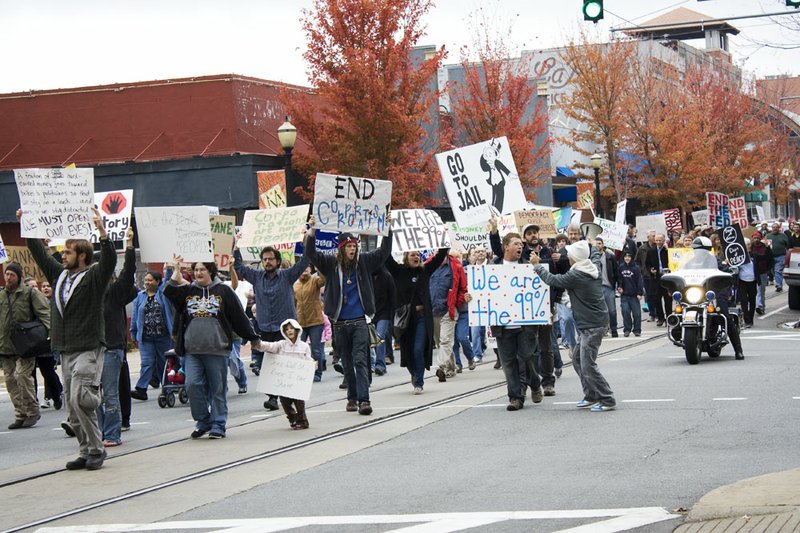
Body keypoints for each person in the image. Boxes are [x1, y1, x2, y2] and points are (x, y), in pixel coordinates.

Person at [24, 207, 117, 470]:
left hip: (88, 346)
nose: (62, 256)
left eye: (67, 252)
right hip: (65, 348)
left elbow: (109, 261)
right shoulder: (60, 275)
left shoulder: (94, 276)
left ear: (82, 255)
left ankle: (97, 448)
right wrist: (28, 226)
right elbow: (40, 255)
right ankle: (86, 449)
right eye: (63, 252)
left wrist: (102, 232)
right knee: (70, 403)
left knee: (80, 397)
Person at [163, 257, 263, 439]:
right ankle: (203, 421)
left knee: (218, 389)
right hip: (192, 350)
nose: (198, 273)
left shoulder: (223, 290)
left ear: (211, 271)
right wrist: (175, 273)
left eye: (202, 269)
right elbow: (168, 293)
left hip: (217, 349)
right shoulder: (188, 291)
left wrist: (253, 338)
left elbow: (238, 317)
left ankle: (218, 424)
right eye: (196, 270)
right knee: (192, 384)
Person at [304, 214, 393, 414]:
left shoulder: (364, 262)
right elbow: (311, 254)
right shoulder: (330, 264)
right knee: (347, 362)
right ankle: (351, 397)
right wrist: (312, 231)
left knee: (361, 360)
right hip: (340, 323)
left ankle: (364, 400)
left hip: (360, 321)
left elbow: (384, 251)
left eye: (355, 246)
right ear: (341, 248)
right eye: (349, 246)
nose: (353, 249)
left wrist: (387, 227)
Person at [532, 240, 616, 412]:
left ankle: (607, 398)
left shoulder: (577, 276)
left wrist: (537, 266)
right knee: (578, 359)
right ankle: (591, 395)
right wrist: (591, 244)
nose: (567, 256)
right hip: (592, 324)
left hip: (592, 325)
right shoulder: (591, 268)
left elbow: (553, 279)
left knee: (587, 364)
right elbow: (595, 257)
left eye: (569, 254)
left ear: (576, 258)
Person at [234, 240, 308, 411]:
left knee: (289, 364)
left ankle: (293, 397)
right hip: (266, 328)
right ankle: (273, 398)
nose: (267, 262)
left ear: (278, 261)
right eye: (264, 259)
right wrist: (237, 247)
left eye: (270, 259)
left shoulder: (288, 275)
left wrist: (307, 240)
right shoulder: (257, 277)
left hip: (287, 329)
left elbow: (305, 260)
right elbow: (239, 267)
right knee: (272, 365)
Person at [489, 230, 543, 411]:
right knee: (509, 362)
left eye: (521, 244)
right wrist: (471, 298)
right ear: (506, 247)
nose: (520, 246)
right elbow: (484, 292)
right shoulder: (492, 266)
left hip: (524, 323)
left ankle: (535, 383)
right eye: (516, 244)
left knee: (528, 357)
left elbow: (539, 290)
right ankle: (515, 397)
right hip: (502, 325)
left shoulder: (528, 266)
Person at [98, 228, 138, 447]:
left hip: (112, 348)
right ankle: (99, 431)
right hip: (90, 349)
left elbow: (128, 272)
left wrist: (129, 245)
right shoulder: (87, 294)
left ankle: (112, 433)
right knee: (92, 396)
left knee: (110, 394)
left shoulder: (113, 293)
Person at [386, 248, 447, 393]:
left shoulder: (425, 271)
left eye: (418, 255)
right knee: (407, 352)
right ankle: (414, 373)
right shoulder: (398, 271)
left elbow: (440, 256)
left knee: (418, 349)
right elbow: (386, 256)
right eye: (413, 255)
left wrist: (443, 238)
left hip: (421, 318)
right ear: (406, 257)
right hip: (405, 320)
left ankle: (419, 382)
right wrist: (387, 231)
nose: (416, 257)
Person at [1, 262, 51, 429]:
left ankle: (32, 411)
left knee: (22, 376)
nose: (8, 278)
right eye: (6, 274)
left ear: (19, 277)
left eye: (11, 275)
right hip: (5, 345)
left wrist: (49, 333)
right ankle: (20, 414)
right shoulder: (1, 295)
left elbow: (45, 313)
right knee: (10, 380)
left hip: (26, 344)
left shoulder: (30, 293)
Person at [260, 319, 314, 429]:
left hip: (297, 380)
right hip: (284, 381)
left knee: (299, 401)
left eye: (291, 328)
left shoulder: (304, 346)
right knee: (285, 401)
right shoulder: (281, 345)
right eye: (286, 329)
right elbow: (270, 346)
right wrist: (258, 344)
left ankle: (302, 420)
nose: (289, 331)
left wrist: (312, 365)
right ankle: (292, 417)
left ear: (297, 329)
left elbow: (307, 359)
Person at [130, 268, 175, 401]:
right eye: (146, 280)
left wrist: (170, 269)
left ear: (157, 281)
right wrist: (133, 333)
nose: (147, 282)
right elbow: (135, 316)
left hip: (163, 336)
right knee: (147, 363)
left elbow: (169, 282)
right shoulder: (140, 296)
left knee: (164, 364)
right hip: (146, 338)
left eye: (150, 280)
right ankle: (141, 389)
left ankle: (167, 388)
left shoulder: (162, 294)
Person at [428, 247, 467, 381]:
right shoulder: (428, 264)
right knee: (440, 342)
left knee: (445, 340)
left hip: (448, 309)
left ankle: (442, 367)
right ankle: (451, 367)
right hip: (433, 310)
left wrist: (458, 302)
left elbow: (463, 288)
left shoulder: (456, 266)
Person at [293, 265, 326, 381]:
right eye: (302, 270)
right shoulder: (295, 285)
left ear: (310, 270)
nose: (304, 272)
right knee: (299, 349)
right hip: (301, 323)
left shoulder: (314, 280)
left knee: (316, 349)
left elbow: (324, 281)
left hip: (315, 321)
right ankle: (303, 372)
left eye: (306, 270)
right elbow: (293, 304)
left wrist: (319, 269)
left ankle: (317, 373)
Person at [371, 266, 395, 375]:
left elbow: (392, 296)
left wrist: (392, 314)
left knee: (379, 337)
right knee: (372, 339)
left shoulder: (387, 276)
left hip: (384, 314)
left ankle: (380, 365)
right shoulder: (367, 277)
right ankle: (373, 363)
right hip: (370, 314)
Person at [595, 238, 621, 337]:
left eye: (599, 243)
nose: (598, 246)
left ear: (603, 245)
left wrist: (619, 284)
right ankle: (603, 329)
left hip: (609, 286)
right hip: (597, 287)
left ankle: (613, 328)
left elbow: (616, 271)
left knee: (611, 310)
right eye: (596, 244)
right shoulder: (592, 258)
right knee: (600, 311)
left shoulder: (610, 257)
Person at [645, 233, 671, 326]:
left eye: (660, 240)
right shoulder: (651, 251)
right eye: (657, 240)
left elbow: (673, 260)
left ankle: (669, 317)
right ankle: (660, 318)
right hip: (656, 278)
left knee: (668, 299)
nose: (658, 242)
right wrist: (651, 270)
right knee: (656, 299)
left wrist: (668, 249)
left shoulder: (667, 250)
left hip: (667, 277)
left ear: (664, 240)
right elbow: (647, 264)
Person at [617, 251, 644, 337]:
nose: (627, 258)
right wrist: (619, 287)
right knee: (625, 312)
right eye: (625, 257)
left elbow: (639, 280)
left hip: (634, 295)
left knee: (637, 313)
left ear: (631, 258)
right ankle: (627, 329)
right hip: (624, 294)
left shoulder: (635, 268)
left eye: (629, 257)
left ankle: (637, 329)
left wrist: (639, 292)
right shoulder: (621, 267)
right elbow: (619, 279)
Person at [750, 231, 773, 315]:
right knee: (755, 290)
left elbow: (770, 259)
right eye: (755, 238)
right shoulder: (750, 247)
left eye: (758, 238)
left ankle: (761, 307)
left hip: (762, 272)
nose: (756, 239)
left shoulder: (765, 247)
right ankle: (758, 306)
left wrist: (768, 269)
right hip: (752, 273)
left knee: (761, 290)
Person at [635, 230, 657, 322]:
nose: (655, 238)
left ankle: (659, 314)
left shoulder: (658, 247)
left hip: (657, 275)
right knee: (649, 295)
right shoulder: (642, 248)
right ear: (648, 237)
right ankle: (652, 314)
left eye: (655, 236)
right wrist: (642, 270)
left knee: (657, 295)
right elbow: (637, 260)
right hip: (646, 275)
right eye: (653, 236)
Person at [737, 238, 757, 328]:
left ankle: (751, 319)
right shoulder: (738, 256)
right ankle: (746, 319)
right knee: (744, 301)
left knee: (752, 300)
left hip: (752, 281)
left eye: (748, 244)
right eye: (745, 245)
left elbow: (766, 259)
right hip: (742, 281)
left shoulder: (754, 255)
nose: (747, 246)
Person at [766, 223, 789, 293]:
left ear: (779, 228)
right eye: (773, 227)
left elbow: (788, 245)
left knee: (777, 271)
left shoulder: (783, 236)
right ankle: (779, 283)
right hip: (771, 257)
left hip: (781, 256)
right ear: (772, 228)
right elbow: (766, 245)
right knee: (773, 272)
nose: (775, 228)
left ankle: (778, 285)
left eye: (776, 227)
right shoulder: (768, 236)